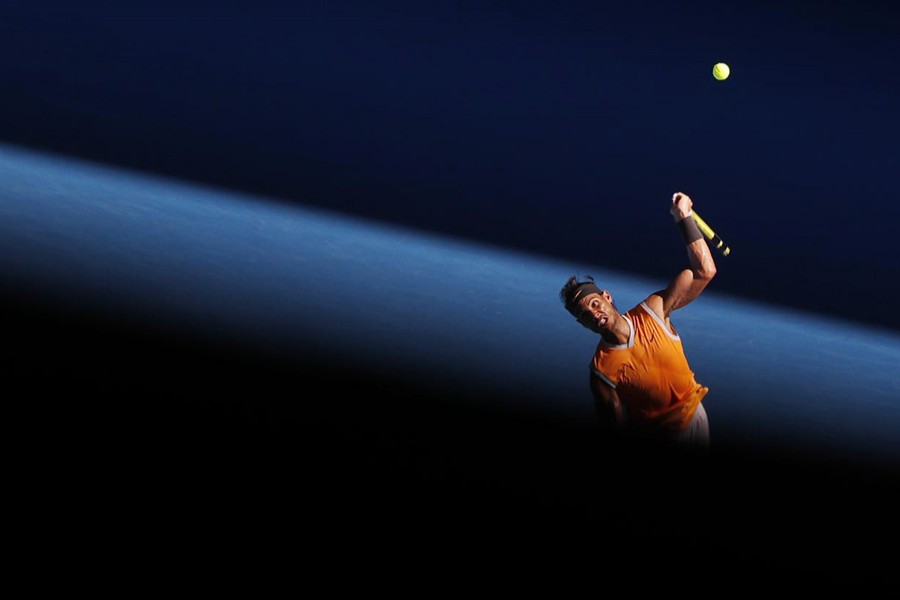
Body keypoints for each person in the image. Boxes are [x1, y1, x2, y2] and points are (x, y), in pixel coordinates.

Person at [559, 192, 716, 448]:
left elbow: (704, 271)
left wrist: (684, 218)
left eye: (595, 304)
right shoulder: (602, 373)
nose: (593, 314)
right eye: (585, 315)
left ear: (607, 297)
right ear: (582, 324)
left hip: (696, 420)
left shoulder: (653, 311)